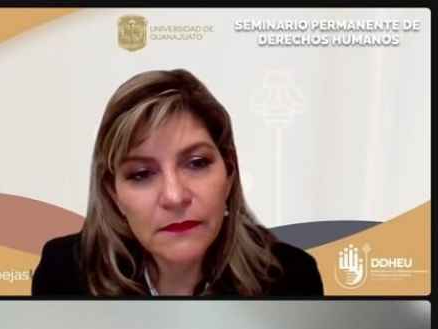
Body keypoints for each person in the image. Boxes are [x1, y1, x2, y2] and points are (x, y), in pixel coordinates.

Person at [32, 69, 322, 296]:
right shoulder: (65, 272)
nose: (174, 196)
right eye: (141, 174)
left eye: (196, 163)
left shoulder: (292, 277)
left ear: (229, 173)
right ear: (113, 193)